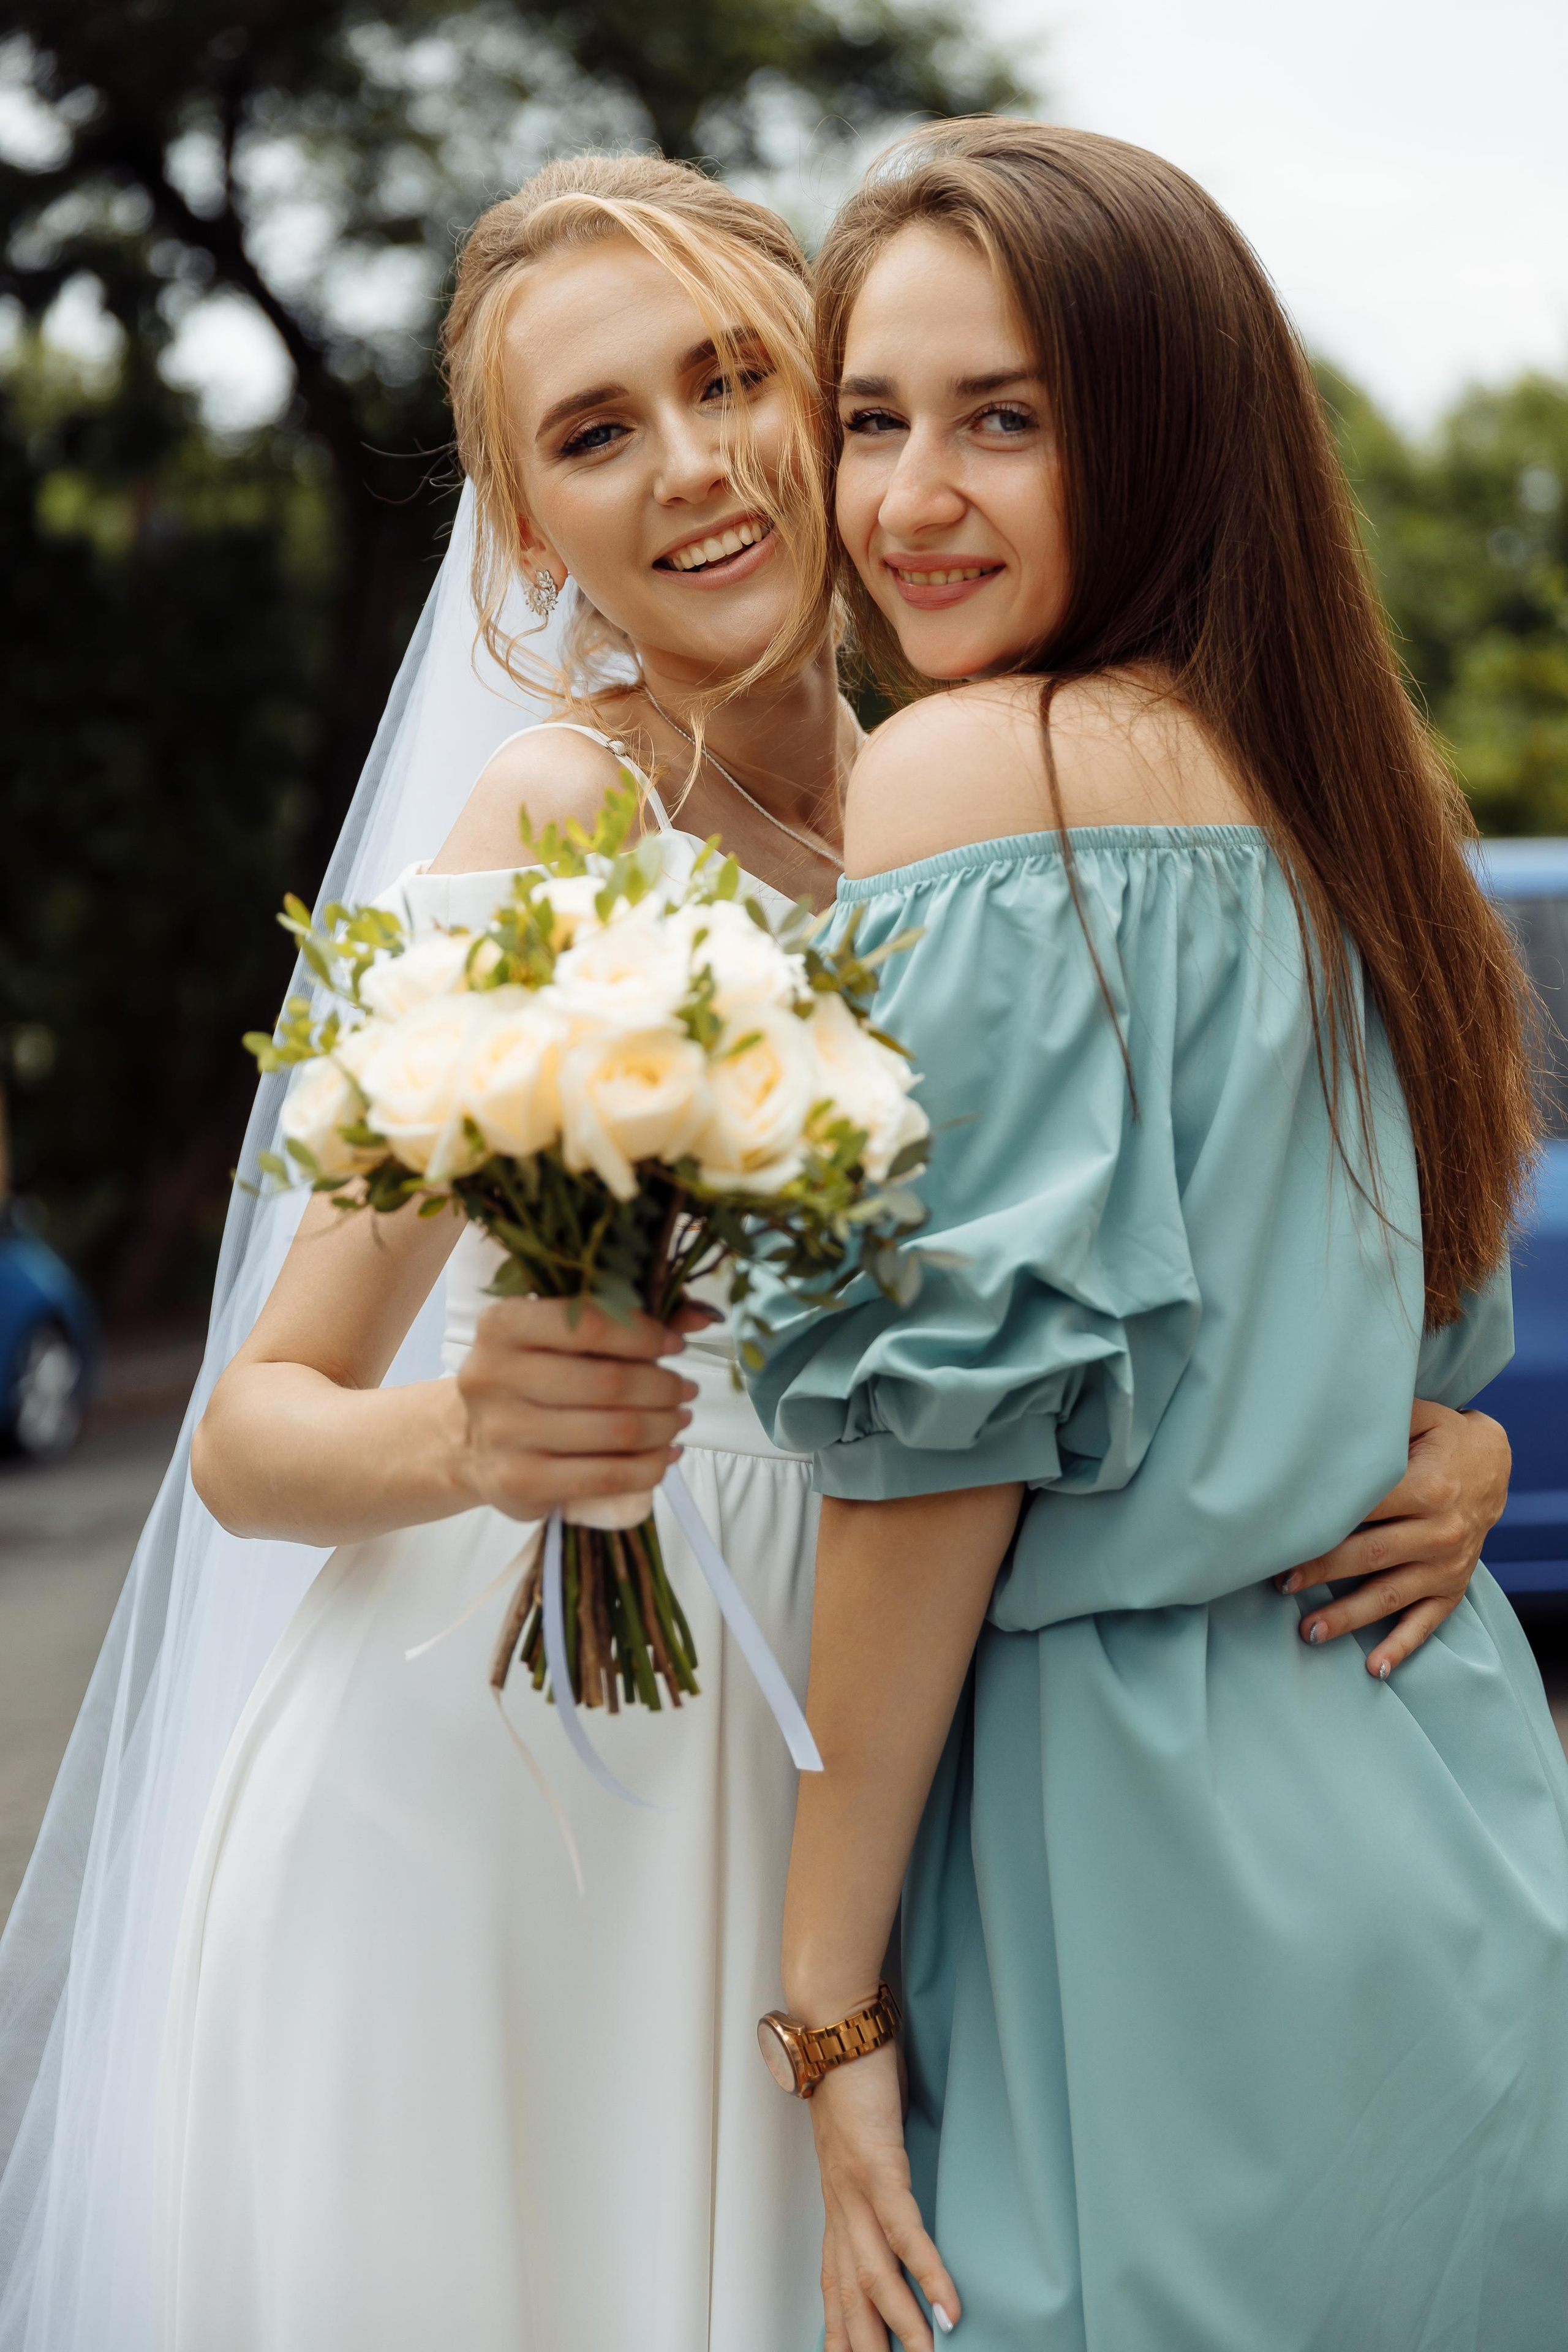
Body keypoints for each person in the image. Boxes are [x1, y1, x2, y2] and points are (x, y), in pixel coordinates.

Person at [0, 151, 1511, 2352]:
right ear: (525, 535)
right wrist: (472, 1435)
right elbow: (253, 1431)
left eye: (737, 381)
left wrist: (1430, 1437)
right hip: (540, 1773)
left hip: (855, 1723)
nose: (696, 467)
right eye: (596, 437)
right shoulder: (555, 818)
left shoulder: (974, 787)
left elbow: (1184, 1263)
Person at [747, 120, 1568, 2352]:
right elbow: (1443, 1365)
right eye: (873, 416)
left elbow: (941, 1445)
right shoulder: (1368, 804)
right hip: (1439, 1803)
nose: (911, 497)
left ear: (1171, 435)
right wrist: (1456, 1453)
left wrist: (820, 1997)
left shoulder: (963, 773)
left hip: (1137, 1866)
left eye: (1006, 420)